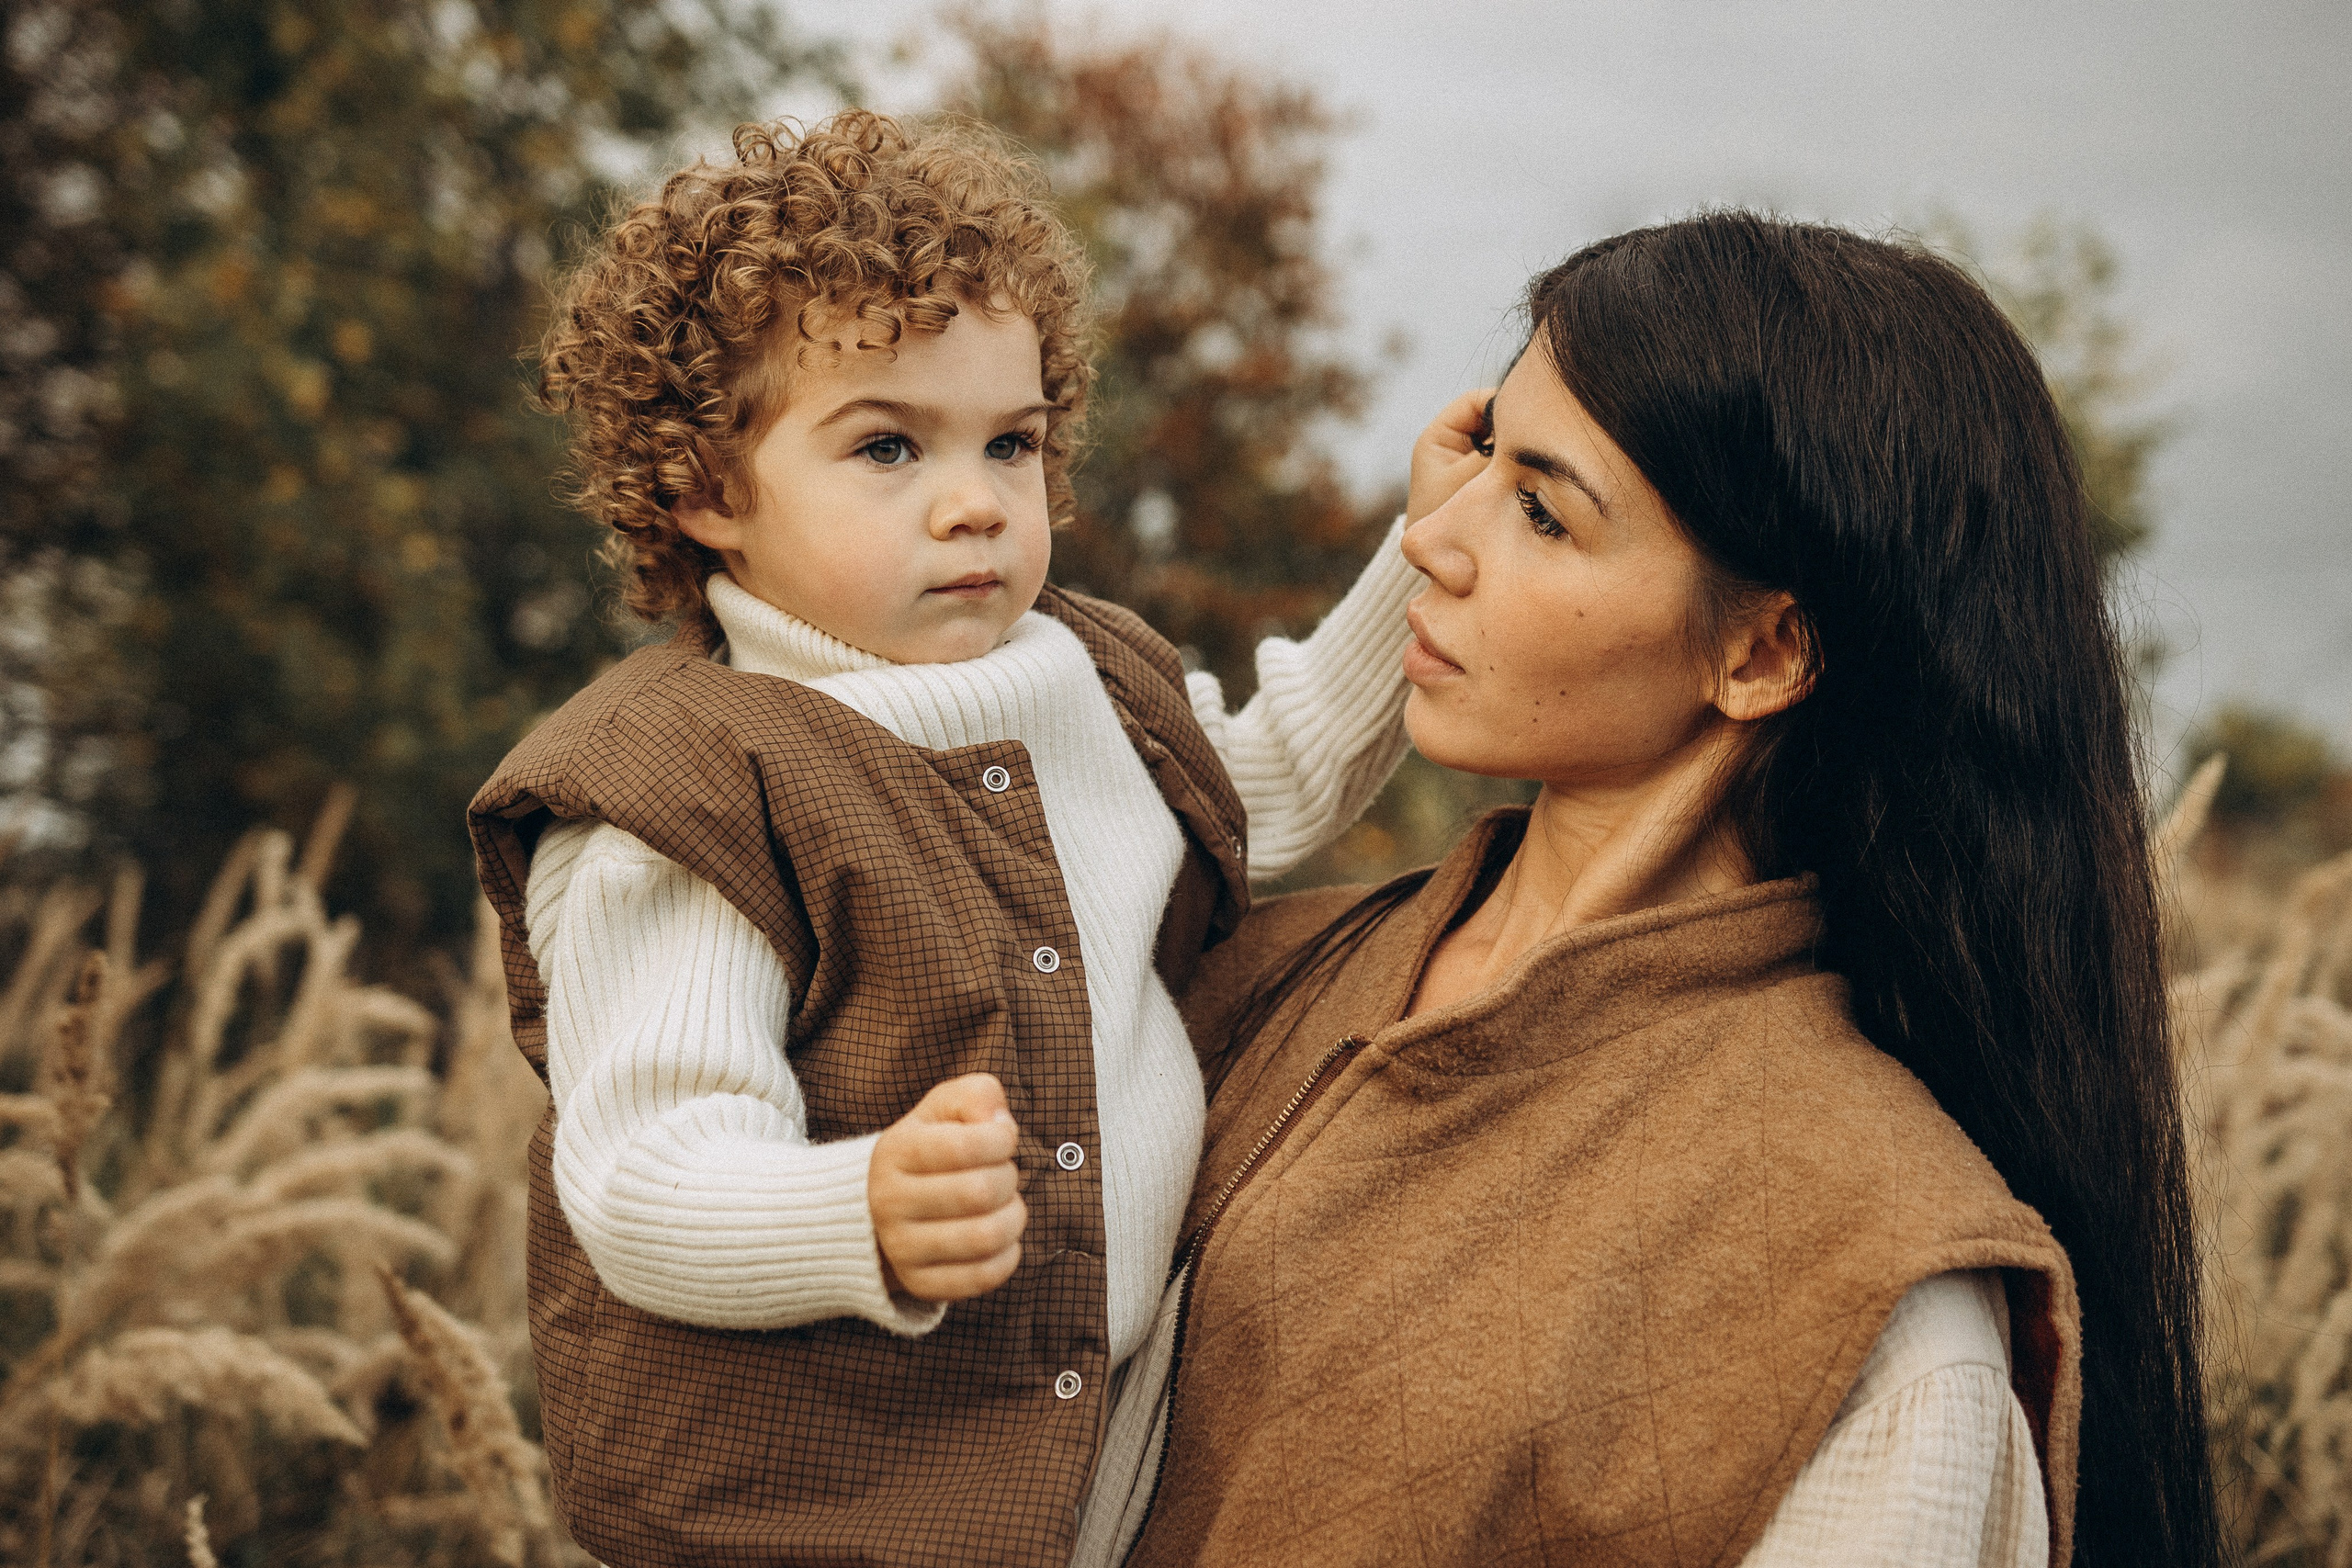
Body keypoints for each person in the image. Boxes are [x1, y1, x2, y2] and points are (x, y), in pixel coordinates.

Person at [1080, 213, 2218, 1568]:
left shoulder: (1875, 1276)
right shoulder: (1267, 968)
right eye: (1486, 453)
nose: (1429, 541)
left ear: (1763, 650)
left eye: (1543, 511)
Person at [465, 110, 1426, 1566]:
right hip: (800, 1509)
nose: (976, 501)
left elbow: (1256, 791)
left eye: (1013, 442)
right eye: (890, 447)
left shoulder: (1086, 676)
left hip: (1073, 1451)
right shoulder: (685, 799)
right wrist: (850, 1206)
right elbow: (651, 1170)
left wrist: (1438, 547)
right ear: (707, 490)